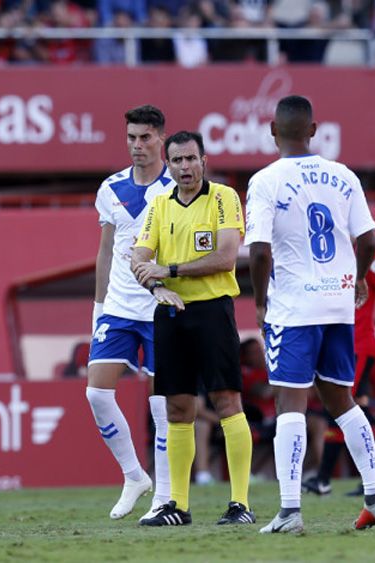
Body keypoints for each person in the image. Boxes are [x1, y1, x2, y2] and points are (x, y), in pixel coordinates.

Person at [246, 95, 375, 535]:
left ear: (273, 131)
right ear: (314, 130)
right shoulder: (343, 175)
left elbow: (258, 251)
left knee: (289, 401)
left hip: (294, 306)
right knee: (339, 399)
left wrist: (258, 301)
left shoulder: (266, 180)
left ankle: (289, 512)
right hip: (337, 303)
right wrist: (360, 277)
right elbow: (366, 242)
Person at [131, 130, 254, 527]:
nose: (185, 167)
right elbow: (139, 258)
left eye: (191, 159)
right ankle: (178, 506)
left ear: (204, 160)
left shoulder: (224, 198)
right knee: (177, 407)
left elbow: (225, 256)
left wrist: (168, 271)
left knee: (226, 400)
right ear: (167, 165)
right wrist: (156, 287)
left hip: (213, 309)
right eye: (177, 161)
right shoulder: (159, 205)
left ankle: (240, 504)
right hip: (170, 312)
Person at [87, 104, 173, 522]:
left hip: (161, 305)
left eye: (145, 138)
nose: (137, 146)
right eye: (131, 138)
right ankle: (134, 475)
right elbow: (105, 251)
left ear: (161, 137)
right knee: (96, 393)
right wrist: (99, 306)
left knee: (161, 405)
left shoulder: (177, 184)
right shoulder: (111, 187)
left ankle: (165, 495)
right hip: (118, 307)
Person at [306, 248, 375, 496]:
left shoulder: (369, 254)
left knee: (339, 409)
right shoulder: (328, 247)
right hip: (342, 343)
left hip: (358, 345)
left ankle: (323, 479)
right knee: (358, 409)